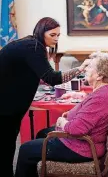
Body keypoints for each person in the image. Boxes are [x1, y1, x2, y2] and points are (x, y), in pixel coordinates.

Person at [0, 17, 90, 177]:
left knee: (8, 143)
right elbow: (52, 78)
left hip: (9, 103)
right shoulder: (33, 47)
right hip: (5, 104)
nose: (56, 39)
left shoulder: (32, 45)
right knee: (5, 144)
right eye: (53, 34)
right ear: (42, 32)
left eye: (58, 35)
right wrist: (80, 68)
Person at [15, 51, 108, 177]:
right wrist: (80, 100)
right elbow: (92, 110)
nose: (86, 69)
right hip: (84, 142)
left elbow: (76, 129)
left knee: (25, 150)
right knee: (41, 134)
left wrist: (62, 122)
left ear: (99, 76)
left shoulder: (101, 98)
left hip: (81, 147)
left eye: (90, 66)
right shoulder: (107, 91)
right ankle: (41, 168)